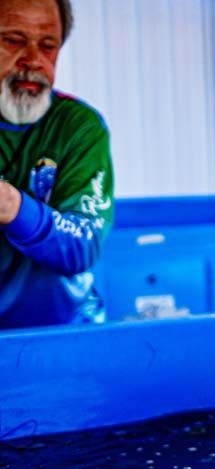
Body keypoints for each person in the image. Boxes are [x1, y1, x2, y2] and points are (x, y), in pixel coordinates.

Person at [0, 0, 114, 328]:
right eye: (14, 40)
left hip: (64, 333)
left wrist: (13, 207)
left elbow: (84, 244)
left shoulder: (78, 126)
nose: (33, 60)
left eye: (48, 45)